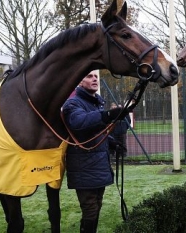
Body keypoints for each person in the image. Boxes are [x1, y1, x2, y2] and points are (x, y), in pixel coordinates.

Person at [62, 71, 128, 233]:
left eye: (96, 77)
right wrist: (107, 115)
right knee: (90, 209)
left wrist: (113, 144)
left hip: (98, 165)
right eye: (89, 76)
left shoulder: (95, 103)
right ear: (79, 82)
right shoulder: (73, 104)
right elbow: (79, 123)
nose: (95, 79)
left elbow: (96, 132)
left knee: (96, 206)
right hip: (84, 167)